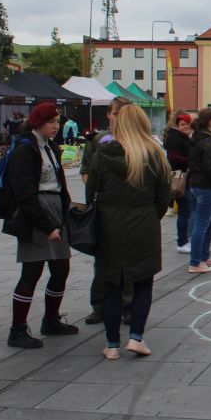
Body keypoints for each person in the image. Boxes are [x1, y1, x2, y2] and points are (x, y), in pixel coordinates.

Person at [86, 103, 171, 360]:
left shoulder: (103, 154)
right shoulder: (153, 154)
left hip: (109, 225)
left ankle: (112, 345)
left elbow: (91, 192)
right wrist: (150, 216)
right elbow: (163, 197)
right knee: (143, 282)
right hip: (143, 223)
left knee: (111, 284)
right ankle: (136, 337)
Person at [4, 102, 77, 348]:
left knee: (61, 269)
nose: (56, 126)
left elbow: (59, 182)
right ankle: (17, 328)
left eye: (57, 122)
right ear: (38, 123)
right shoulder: (26, 149)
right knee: (32, 271)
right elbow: (25, 194)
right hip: (36, 215)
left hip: (55, 210)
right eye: (51, 122)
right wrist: (46, 226)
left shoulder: (50, 147)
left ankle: (51, 319)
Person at [81, 96, 133, 325]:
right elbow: (86, 171)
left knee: (129, 259)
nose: (117, 118)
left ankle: (128, 304)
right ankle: (100, 305)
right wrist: (94, 196)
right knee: (102, 259)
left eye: (122, 114)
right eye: (114, 113)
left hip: (130, 207)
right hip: (104, 206)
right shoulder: (98, 141)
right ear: (108, 114)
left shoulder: (137, 141)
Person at [186, 108, 211, 273]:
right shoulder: (208, 142)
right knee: (202, 223)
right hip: (206, 186)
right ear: (210, 122)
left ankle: (204, 256)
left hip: (197, 184)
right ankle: (195, 262)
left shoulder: (197, 138)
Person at [164, 111, 193, 254]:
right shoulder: (175, 137)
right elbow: (173, 157)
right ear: (177, 124)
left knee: (186, 210)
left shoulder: (180, 136)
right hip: (180, 177)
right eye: (183, 124)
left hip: (183, 176)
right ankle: (182, 242)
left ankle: (183, 239)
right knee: (184, 211)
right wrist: (191, 160)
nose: (185, 126)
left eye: (187, 124)